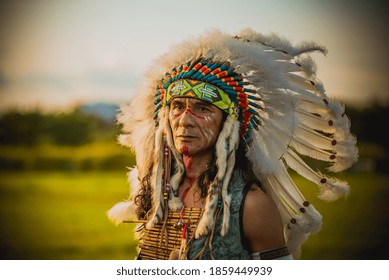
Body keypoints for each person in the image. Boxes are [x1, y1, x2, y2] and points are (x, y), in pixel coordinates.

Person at [108, 28, 358, 260]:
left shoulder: (252, 205)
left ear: (229, 124)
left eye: (202, 108)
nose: (185, 120)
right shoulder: (158, 191)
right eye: (177, 107)